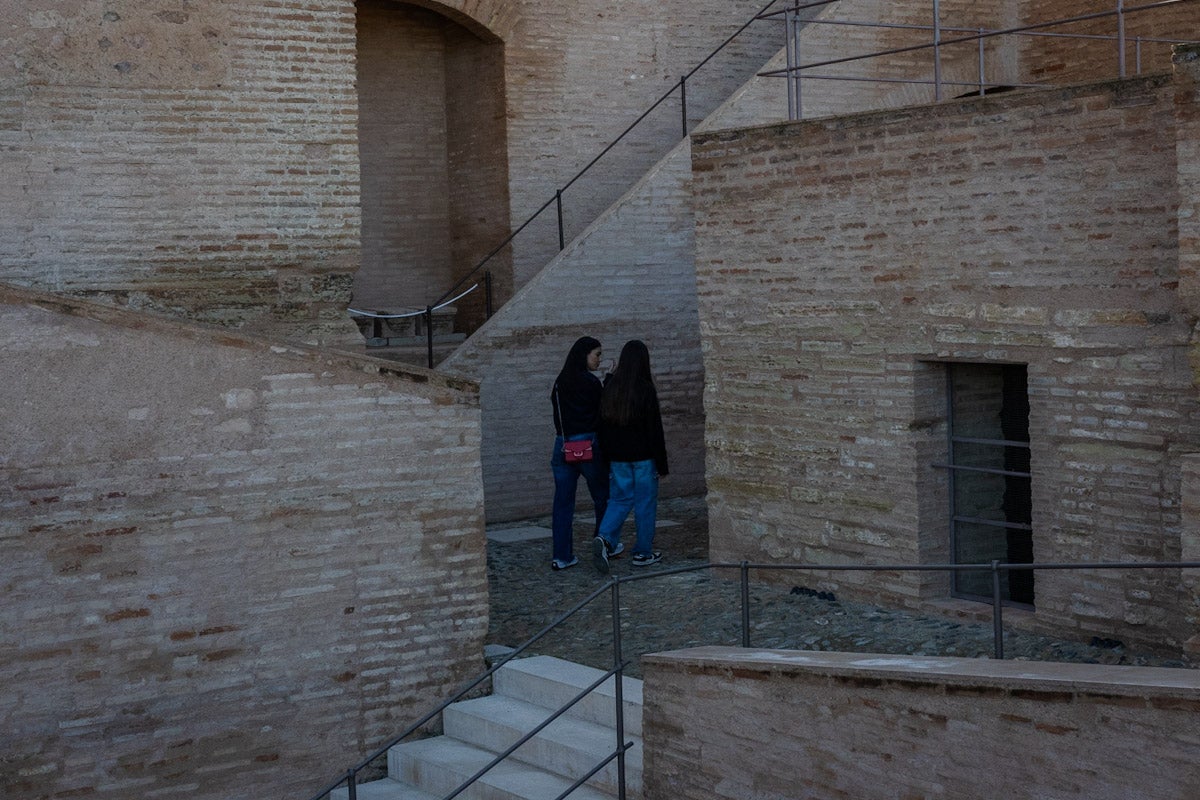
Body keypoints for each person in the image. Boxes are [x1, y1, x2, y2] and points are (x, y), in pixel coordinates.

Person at [592, 339, 668, 574]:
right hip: (644, 458)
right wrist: (662, 463)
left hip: (618, 459)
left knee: (619, 500)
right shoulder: (645, 389)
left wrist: (605, 457)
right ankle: (643, 552)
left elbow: (601, 426)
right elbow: (654, 430)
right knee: (645, 504)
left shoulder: (611, 387)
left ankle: (605, 537)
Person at [549, 336, 610, 570]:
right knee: (603, 496)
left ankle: (561, 556)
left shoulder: (559, 382)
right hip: (587, 444)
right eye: (597, 354)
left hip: (562, 445)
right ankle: (604, 544)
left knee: (562, 502)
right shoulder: (591, 383)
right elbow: (602, 413)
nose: (599, 359)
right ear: (584, 355)